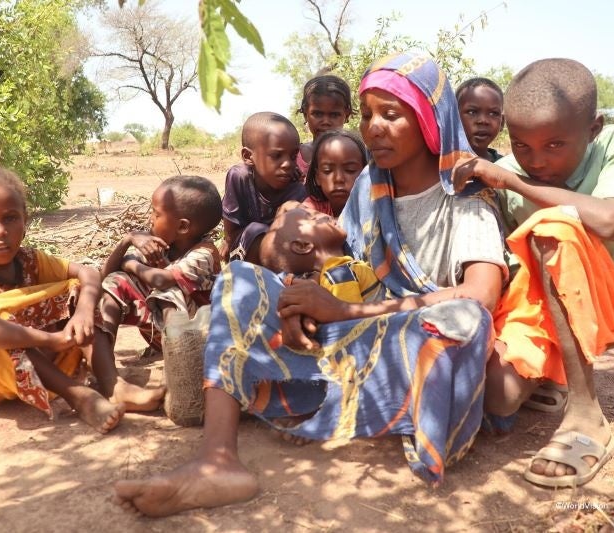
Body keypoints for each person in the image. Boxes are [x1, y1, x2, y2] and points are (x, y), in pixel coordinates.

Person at [114, 53, 507, 517]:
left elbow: (481, 295)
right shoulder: (368, 189)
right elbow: (341, 266)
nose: (374, 127)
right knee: (240, 278)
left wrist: (345, 312)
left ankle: (369, 410)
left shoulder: (465, 200)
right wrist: (303, 299)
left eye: (391, 114)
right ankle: (218, 461)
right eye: (368, 115)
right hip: (349, 342)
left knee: (463, 320)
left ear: (428, 117)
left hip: (409, 345)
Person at [451, 58, 614, 488]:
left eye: (555, 145)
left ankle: (586, 414)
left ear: (593, 128)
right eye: (522, 146)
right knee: (499, 397)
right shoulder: (504, 166)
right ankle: (555, 367)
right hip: (536, 303)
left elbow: (610, 220)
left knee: (554, 229)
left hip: (606, 299)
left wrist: (517, 184)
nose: (536, 159)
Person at [0, 164, 125, 434]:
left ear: (25, 220)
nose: (0, 231)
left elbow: (89, 273)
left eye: (10, 218)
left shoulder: (30, 260)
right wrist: (48, 339)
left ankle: (112, 384)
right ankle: (77, 396)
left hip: (20, 374)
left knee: (80, 289)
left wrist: (83, 310)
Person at [92, 175, 223, 412]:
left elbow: (160, 279)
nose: (150, 220)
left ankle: (182, 381)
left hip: (195, 340)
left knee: (169, 287)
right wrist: (127, 241)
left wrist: (130, 262)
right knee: (113, 282)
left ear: (182, 226)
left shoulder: (205, 253)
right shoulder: (159, 244)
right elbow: (105, 275)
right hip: (162, 333)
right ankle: (108, 378)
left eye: (156, 214)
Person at [221, 111, 306, 263]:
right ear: (248, 156)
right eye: (277, 156)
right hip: (247, 249)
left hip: (282, 252)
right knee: (257, 230)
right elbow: (230, 227)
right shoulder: (240, 177)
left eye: (293, 156)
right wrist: (227, 241)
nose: (288, 164)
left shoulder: (297, 188)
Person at [259, 203, 382, 304]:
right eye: (312, 218)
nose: (324, 215)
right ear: (303, 246)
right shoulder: (338, 276)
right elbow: (353, 319)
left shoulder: (344, 268)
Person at [301, 129, 367, 218]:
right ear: (317, 177)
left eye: (350, 170)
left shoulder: (373, 207)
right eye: (327, 170)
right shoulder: (312, 206)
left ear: (365, 174)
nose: (338, 178)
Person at [296, 74, 354, 175]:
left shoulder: (356, 154)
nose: (326, 121)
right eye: (317, 114)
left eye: (334, 115)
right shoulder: (293, 157)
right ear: (306, 114)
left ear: (347, 115)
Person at [455, 77, 505, 162]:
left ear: (502, 122)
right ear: (454, 118)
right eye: (472, 112)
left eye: (493, 113)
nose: (483, 121)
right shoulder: (438, 165)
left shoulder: (507, 168)